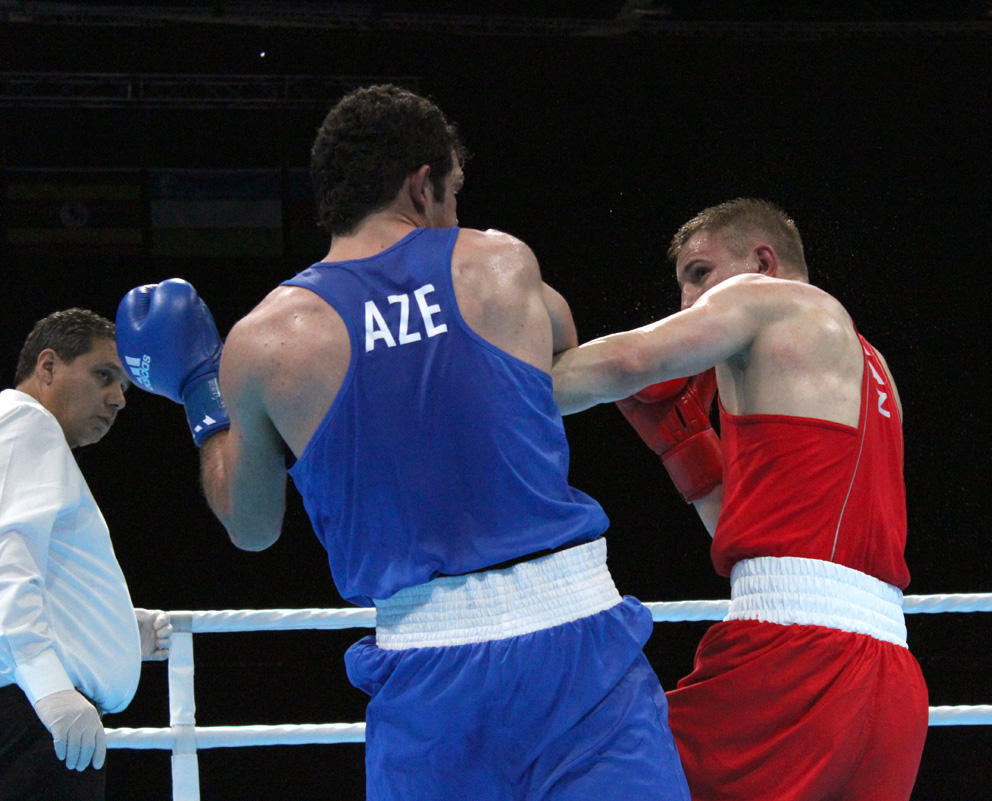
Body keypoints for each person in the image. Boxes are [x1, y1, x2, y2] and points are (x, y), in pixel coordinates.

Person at [114, 85, 690, 801]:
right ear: (423, 185)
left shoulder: (265, 344)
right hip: (579, 653)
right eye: (453, 194)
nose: (456, 217)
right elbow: (560, 355)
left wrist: (204, 390)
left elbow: (254, 526)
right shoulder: (501, 265)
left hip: (429, 681)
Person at [552, 198, 928, 801]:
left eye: (700, 274)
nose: (689, 303)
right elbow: (776, 540)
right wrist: (688, 454)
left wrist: (487, 390)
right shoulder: (870, 364)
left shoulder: (770, 299)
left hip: (793, 660)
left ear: (762, 261)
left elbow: (625, 361)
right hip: (890, 682)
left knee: (590, 772)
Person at [0, 308, 171, 801]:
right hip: (34, 714)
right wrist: (51, 688)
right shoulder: (27, 423)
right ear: (47, 366)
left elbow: (33, 568)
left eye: (124, 387)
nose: (118, 398)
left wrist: (108, 627)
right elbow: (8, 564)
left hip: (31, 711)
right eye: (104, 375)